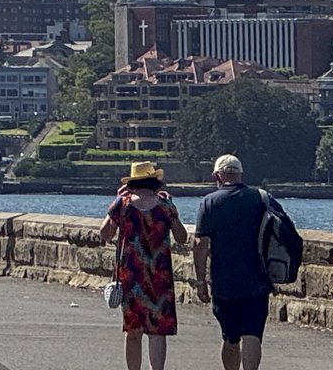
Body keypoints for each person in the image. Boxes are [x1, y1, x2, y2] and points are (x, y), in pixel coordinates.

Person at [194, 154, 279, 370]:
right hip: (257, 278)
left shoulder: (210, 202)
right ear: (241, 175)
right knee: (252, 334)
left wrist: (200, 281)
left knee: (230, 336)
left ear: (218, 176)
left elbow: (200, 244)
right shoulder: (260, 198)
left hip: (224, 282)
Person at [100, 161, 187, 370]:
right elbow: (182, 237)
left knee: (133, 331)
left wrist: (116, 202)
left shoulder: (123, 204)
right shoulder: (165, 205)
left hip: (131, 275)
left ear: (132, 183)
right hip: (160, 275)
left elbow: (105, 235)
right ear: (155, 182)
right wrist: (172, 212)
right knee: (157, 332)